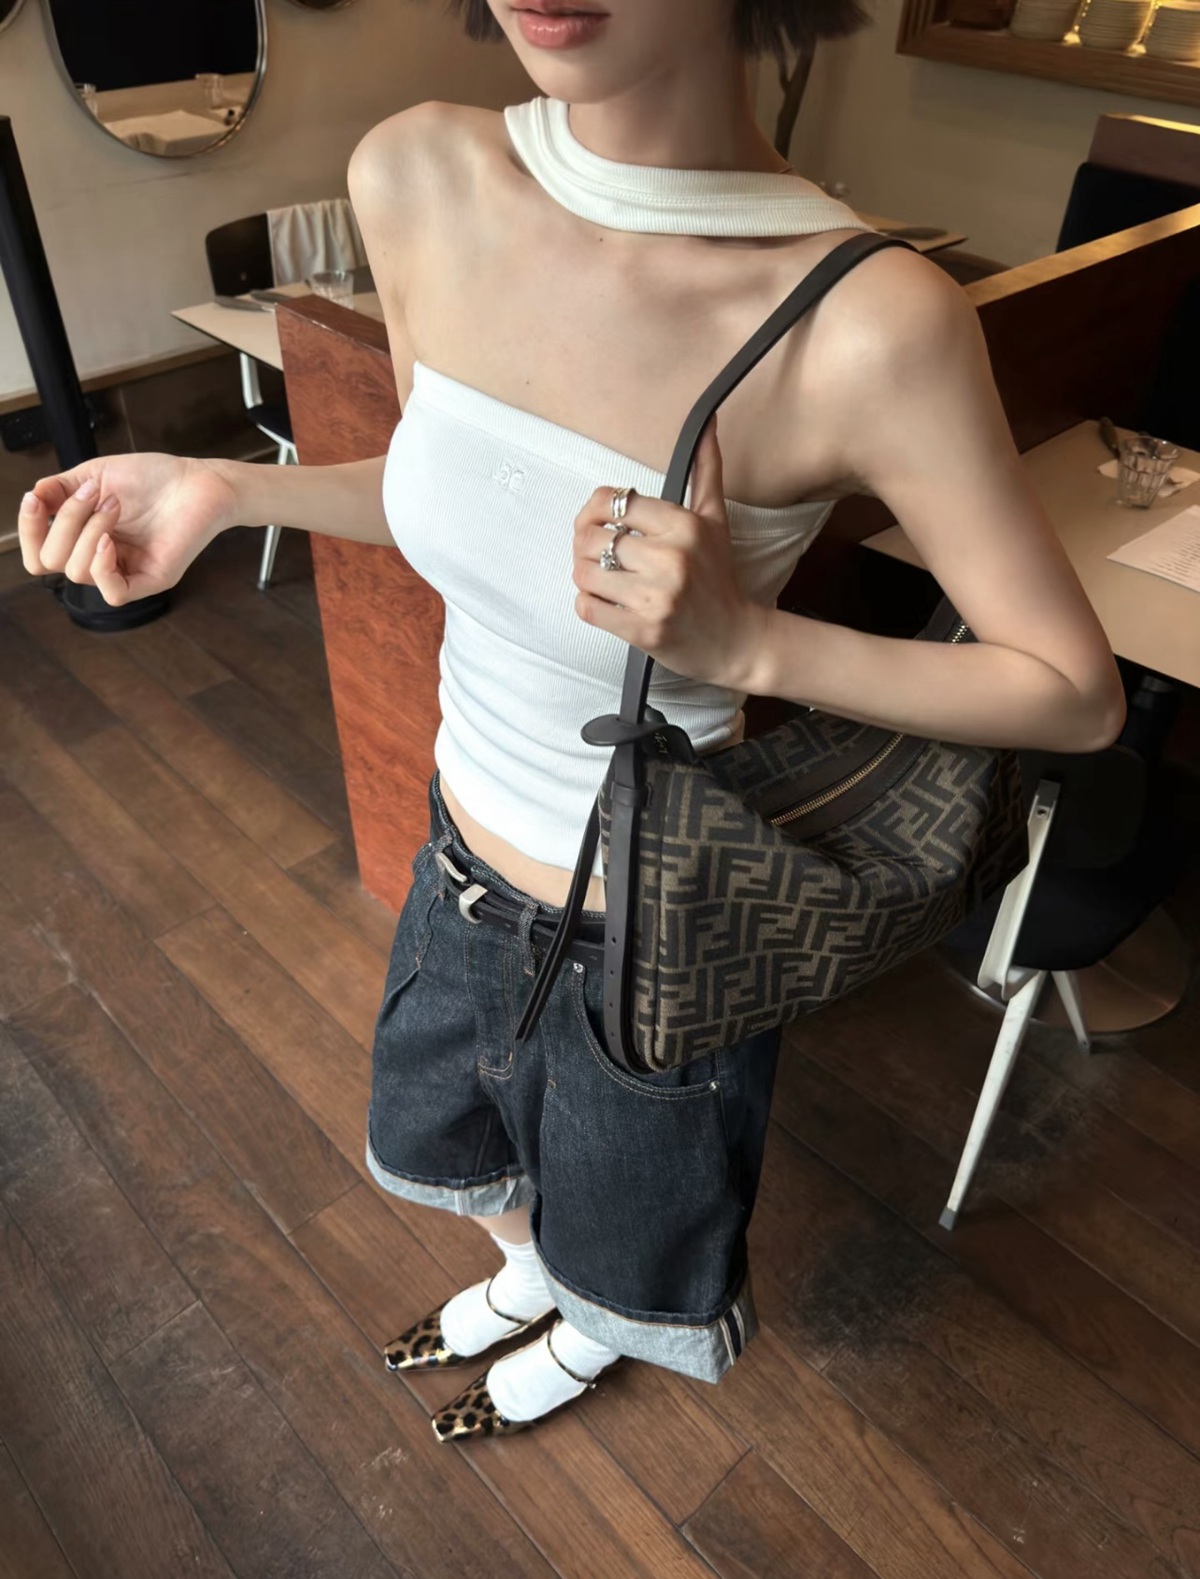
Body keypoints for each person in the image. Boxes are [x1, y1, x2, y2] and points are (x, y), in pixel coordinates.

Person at [17, 0, 1125, 1442]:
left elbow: (1072, 692)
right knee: (455, 1140)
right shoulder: (417, 172)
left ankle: (589, 1327)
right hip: (453, 858)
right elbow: (456, 491)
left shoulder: (863, 321)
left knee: (626, 1218)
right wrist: (229, 491)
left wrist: (749, 641)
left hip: (650, 932)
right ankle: (531, 1273)